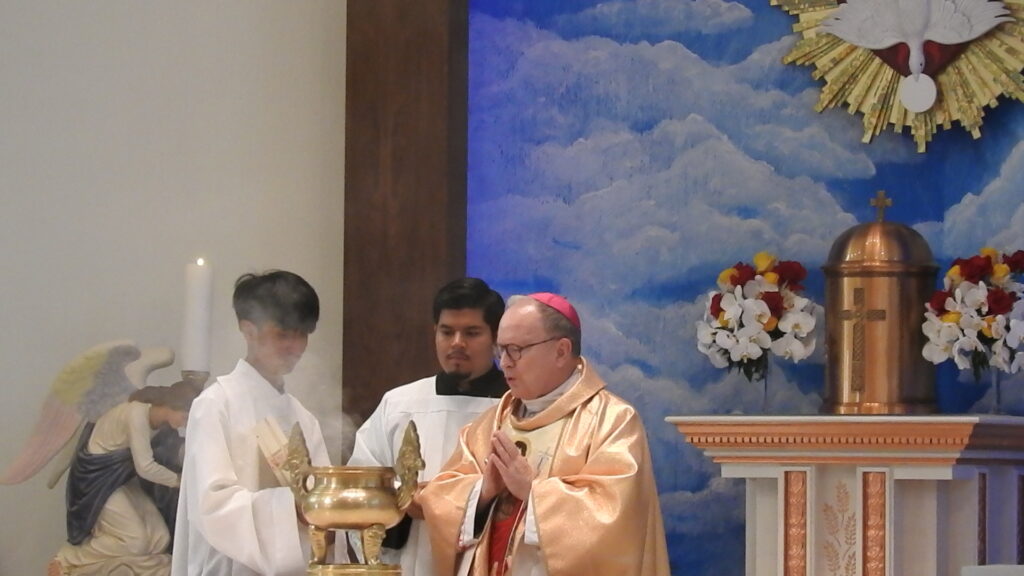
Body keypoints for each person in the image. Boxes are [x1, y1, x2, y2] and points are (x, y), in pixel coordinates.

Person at [418, 293, 670, 576]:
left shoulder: (612, 422)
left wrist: (533, 491)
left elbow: (618, 523)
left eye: (515, 349)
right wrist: (483, 492)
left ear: (561, 351)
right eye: (501, 350)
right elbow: (441, 497)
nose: (505, 363)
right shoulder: (491, 424)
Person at [171, 270, 333, 576]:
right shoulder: (216, 405)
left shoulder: (303, 417)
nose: (296, 346)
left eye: (303, 334)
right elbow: (212, 506)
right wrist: (292, 508)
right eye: (283, 334)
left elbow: (322, 497)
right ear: (248, 330)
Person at [347, 277, 508, 575]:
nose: (457, 343)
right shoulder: (400, 405)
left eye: (471, 333)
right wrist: (401, 503)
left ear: (496, 338)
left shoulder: (516, 408)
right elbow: (362, 484)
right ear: (434, 332)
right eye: (447, 332)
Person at [50, 381, 200, 576]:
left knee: (159, 537)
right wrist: (180, 481)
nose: (185, 423)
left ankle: (144, 569)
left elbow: (167, 452)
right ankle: (68, 559)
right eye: (185, 416)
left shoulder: (159, 423)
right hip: (99, 481)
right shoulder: (136, 415)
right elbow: (145, 467)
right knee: (135, 541)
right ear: (171, 406)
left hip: (120, 479)